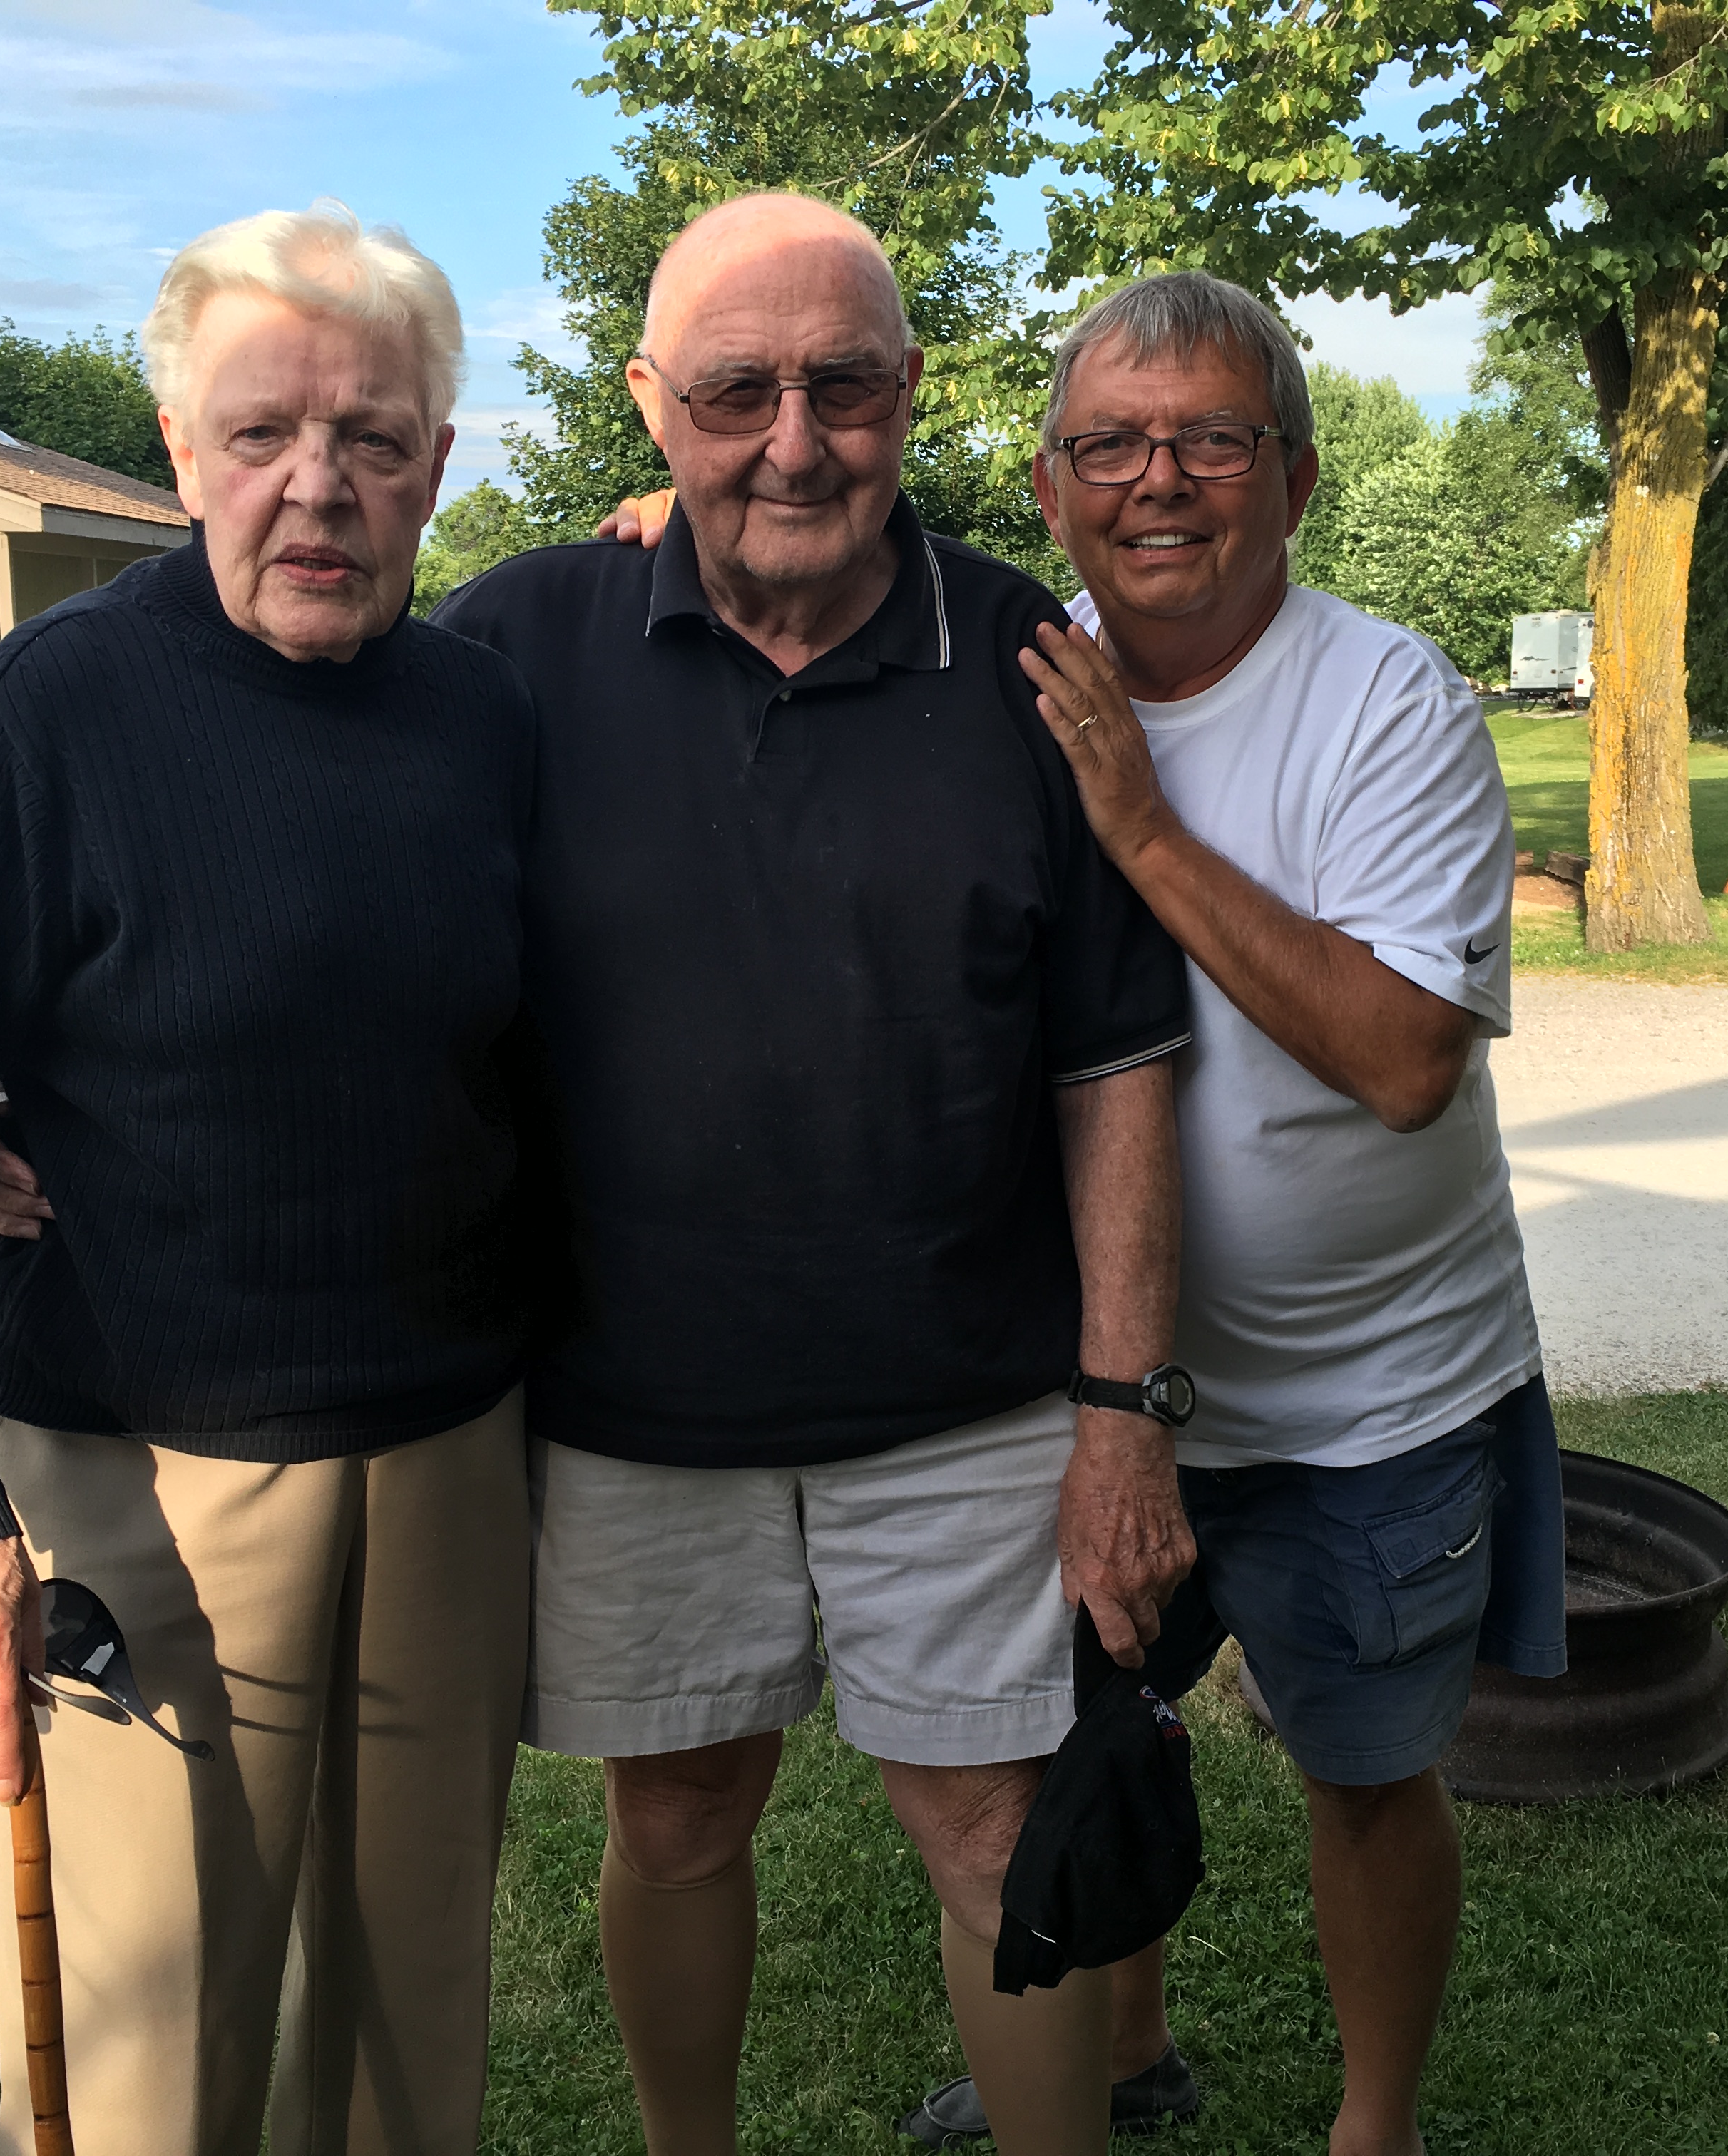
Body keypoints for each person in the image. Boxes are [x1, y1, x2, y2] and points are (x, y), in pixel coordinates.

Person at [610, 269, 1566, 2156]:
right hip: (1078, 1390)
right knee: (1074, 1749)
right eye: (1111, 446)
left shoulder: (1388, 702)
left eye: (1212, 440)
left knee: (1366, 1775)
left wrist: (1141, 830)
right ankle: (1122, 2050)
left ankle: (1376, 2126)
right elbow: (803, 546)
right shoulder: (1003, 668)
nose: (1161, 483)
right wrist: (683, 519)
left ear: (1295, 477)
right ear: (1048, 489)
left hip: (1365, 1395)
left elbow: (1403, 1060)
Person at [432, 192, 1197, 2156]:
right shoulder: (520, 641)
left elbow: (1118, 1067)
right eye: (735, 395)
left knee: (993, 1829)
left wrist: (1124, 1416)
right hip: (630, 1408)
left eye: (843, 387)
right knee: (678, 1815)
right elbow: (321, 855)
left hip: (966, 1408)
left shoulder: (1032, 665)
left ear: (912, 392)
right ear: (650, 405)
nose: (793, 444)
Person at [0, 204, 540, 2156]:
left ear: (436, 466)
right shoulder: (59, 706)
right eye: (263, 431)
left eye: (374, 436)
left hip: (450, 1462)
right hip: (142, 1485)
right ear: (182, 449)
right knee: (154, 2056)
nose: (319, 484)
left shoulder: (483, 715)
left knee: (410, 2026)